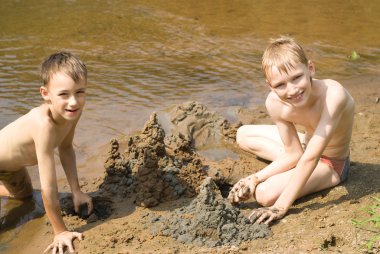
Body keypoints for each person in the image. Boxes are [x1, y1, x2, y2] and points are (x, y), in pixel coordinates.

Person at [227, 36, 355, 225]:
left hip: (331, 163)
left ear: (310, 68)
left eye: (297, 78)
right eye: (280, 85)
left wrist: (280, 207)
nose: (292, 90)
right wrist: (253, 178)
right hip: (305, 148)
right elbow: (293, 153)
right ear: (270, 86)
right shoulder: (274, 102)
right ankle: (281, 174)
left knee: (264, 194)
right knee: (243, 134)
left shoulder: (333, 94)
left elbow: (310, 158)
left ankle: (292, 178)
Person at [0, 51, 93, 253]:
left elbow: (66, 148)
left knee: (24, 196)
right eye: (64, 94)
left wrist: (76, 191)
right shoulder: (43, 125)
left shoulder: (72, 112)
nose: (74, 101)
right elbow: (48, 187)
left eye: (80, 92)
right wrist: (60, 231)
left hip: (9, 166)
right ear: (45, 94)